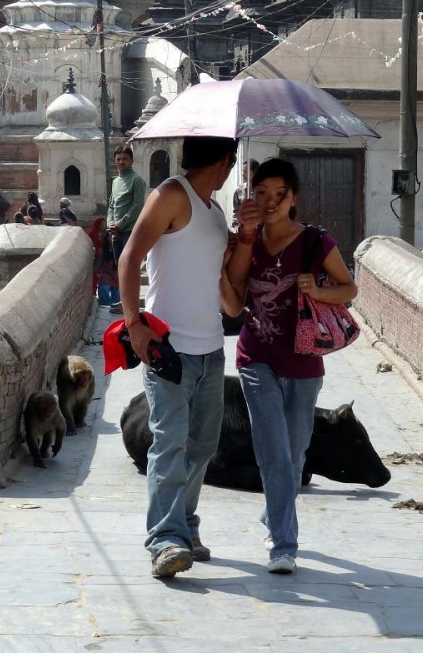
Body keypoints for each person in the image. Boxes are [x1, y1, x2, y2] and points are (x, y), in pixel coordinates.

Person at [224, 158, 356, 575]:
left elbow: (348, 289)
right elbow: (237, 293)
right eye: (261, 193)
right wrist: (245, 237)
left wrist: (318, 289)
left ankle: (273, 513)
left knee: (295, 455)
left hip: (304, 361)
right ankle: (283, 544)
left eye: (279, 195)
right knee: (273, 453)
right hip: (255, 356)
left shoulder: (317, 242)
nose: (269, 202)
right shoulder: (248, 239)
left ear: (293, 198)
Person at [117, 135, 239, 579]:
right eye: (231, 161)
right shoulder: (171, 194)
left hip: (210, 348)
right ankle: (164, 540)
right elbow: (129, 258)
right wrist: (135, 324)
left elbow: (228, 296)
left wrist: (239, 245)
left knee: (203, 445)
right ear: (224, 161)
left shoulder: (215, 213)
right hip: (167, 348)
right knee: (170, 442)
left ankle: (185, 524)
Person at [107, 145, 147, 313]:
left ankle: (132, 304)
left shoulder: (137, 180)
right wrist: (110, 223)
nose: (121, 162)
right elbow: (111, 205)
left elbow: (137, 206)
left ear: (131, 161)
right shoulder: (116, 181)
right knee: (120, 268)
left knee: (130, 268)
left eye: (124, 159)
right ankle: (124, 302)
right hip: (115, 231)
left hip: (129, 231)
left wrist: (121, 224)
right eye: (118, 159)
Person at [231, 158, 259, 229]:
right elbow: (236, 213)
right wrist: (235, 228)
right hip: (243, 231)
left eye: (245, 172)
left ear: (254, 173)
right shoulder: (239, 191)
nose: (243, 174)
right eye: (242, 171)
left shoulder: (262, 191)